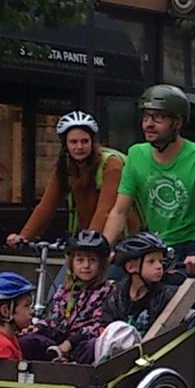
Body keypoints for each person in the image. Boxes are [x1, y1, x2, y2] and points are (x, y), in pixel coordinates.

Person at [103, 85, 195, 279]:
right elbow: (119, 211)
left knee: (175, 289)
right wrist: (102, 249)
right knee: (112, 277)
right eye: (146, 117)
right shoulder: (136, 154)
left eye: (158, 118)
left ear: (177, 122)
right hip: (158, 242)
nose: (149, 124)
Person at [7, 112, 136, 285]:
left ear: (92, 142)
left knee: (98, 294)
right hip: (86, 243)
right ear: (65, 145)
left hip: (116, 243)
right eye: (73, 142)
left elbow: (105, 210)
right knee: (60, 293)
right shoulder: (65, 167)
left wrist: (89, 246)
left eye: (84, 141)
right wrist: (24, 237)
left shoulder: (110, 164)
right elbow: (46, 206)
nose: (79, 147)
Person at [18, 230, 115, 364]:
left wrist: (70, 343)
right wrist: (40, 327)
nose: (86, 266)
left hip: (82, 345)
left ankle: (73, 371)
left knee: (93, 346)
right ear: (71, 263)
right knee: (27, 341)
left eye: (92, 260)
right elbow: (55, 320)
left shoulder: (108, 291)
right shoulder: (64, 291)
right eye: (80, 260)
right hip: (58, 344)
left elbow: (99, 325)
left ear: (101, 265)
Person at [100, 232, 178, 336]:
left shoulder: (168, 295)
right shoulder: (115, 297)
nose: (159, 266)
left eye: (160, 261)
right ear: (130, 267)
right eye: (151, 261)